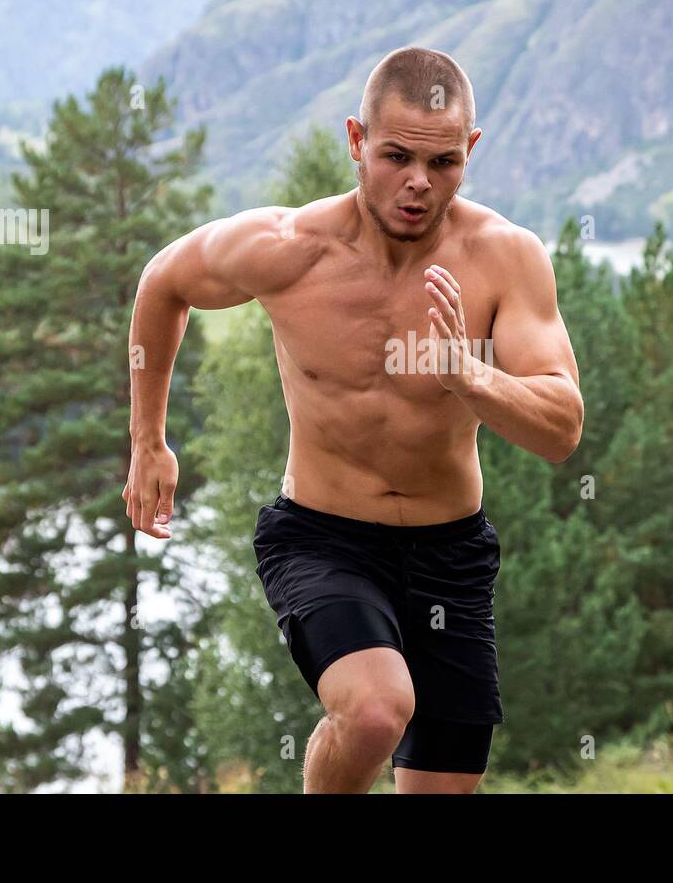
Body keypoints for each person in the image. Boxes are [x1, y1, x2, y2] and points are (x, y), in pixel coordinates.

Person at [125, 46, 583, 793]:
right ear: (356, 141)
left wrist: (468, 375)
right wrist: (149, 442)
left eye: (442, 164)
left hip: (451, 556)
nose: (417, 184)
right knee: (375, 712)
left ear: (469, 151)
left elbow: (561, 430)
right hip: (322, 538)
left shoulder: (506, 259)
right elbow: (163, 281)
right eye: (396, 156)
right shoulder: (289, 248)